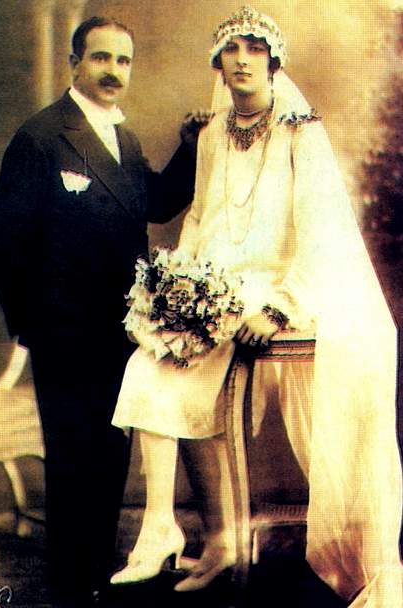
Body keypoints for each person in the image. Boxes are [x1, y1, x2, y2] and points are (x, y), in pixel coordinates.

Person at [109, 6, 403, 606]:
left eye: (254, 49)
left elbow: (319, 230)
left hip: (271, 287)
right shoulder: (212, 134)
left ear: (273, 63)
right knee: (151, 361)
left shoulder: (301, 131)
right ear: (218, 64)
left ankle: (205, 536)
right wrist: (177, 283)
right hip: (215, 285)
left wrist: (282, 305)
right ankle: (167, 526)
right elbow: (200, 216)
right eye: (231, 50)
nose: (242, 60)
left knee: (172, 369)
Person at [0, 16, 204, 608]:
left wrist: (190, 148)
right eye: (101, 58)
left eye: (123, 61)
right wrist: (32, 327)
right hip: (63, 334)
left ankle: (96, 582)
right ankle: (70, 587)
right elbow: (5, 243)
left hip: (120, 332)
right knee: (72, 460)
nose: (113, 71)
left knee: (109, 460)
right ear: (75, 64)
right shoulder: (42, 137)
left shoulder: (123, 140)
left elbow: (156, 203)